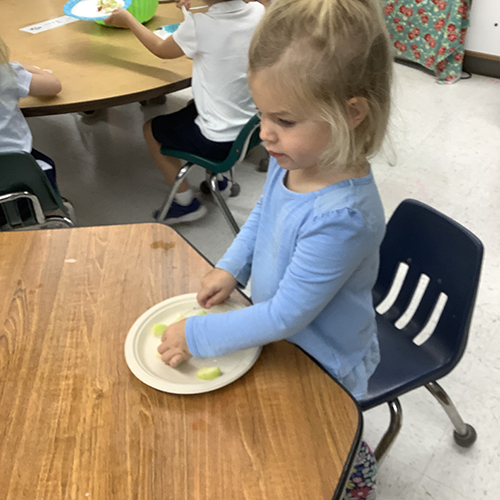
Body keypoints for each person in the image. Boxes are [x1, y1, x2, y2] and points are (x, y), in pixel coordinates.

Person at [157, 0, 392, 497]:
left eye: (283, 119)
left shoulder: (343, 216)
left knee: (311, 448)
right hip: (282, 338)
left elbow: (287, 316)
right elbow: (264, 215)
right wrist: (230, 266)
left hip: (323, 361)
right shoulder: (297, 161)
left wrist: (197, 336)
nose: (264, 134)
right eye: (262, 113)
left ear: (350, 113)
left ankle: (352, 472)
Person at [104, 0, 265, 224]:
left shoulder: (201, 25)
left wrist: (128, 20)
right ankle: (220, 182)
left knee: (151, 130)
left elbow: (162, 50)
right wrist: (192, 11)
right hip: (252, 126)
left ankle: (185, 202)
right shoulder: (258, 11)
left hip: (217, 140)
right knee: (193, 107)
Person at [0, 36, 63, 192]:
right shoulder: (7, 74)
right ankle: (48, 212)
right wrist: (25, 66)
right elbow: (53, 86)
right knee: (44, 166)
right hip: (16, 171)